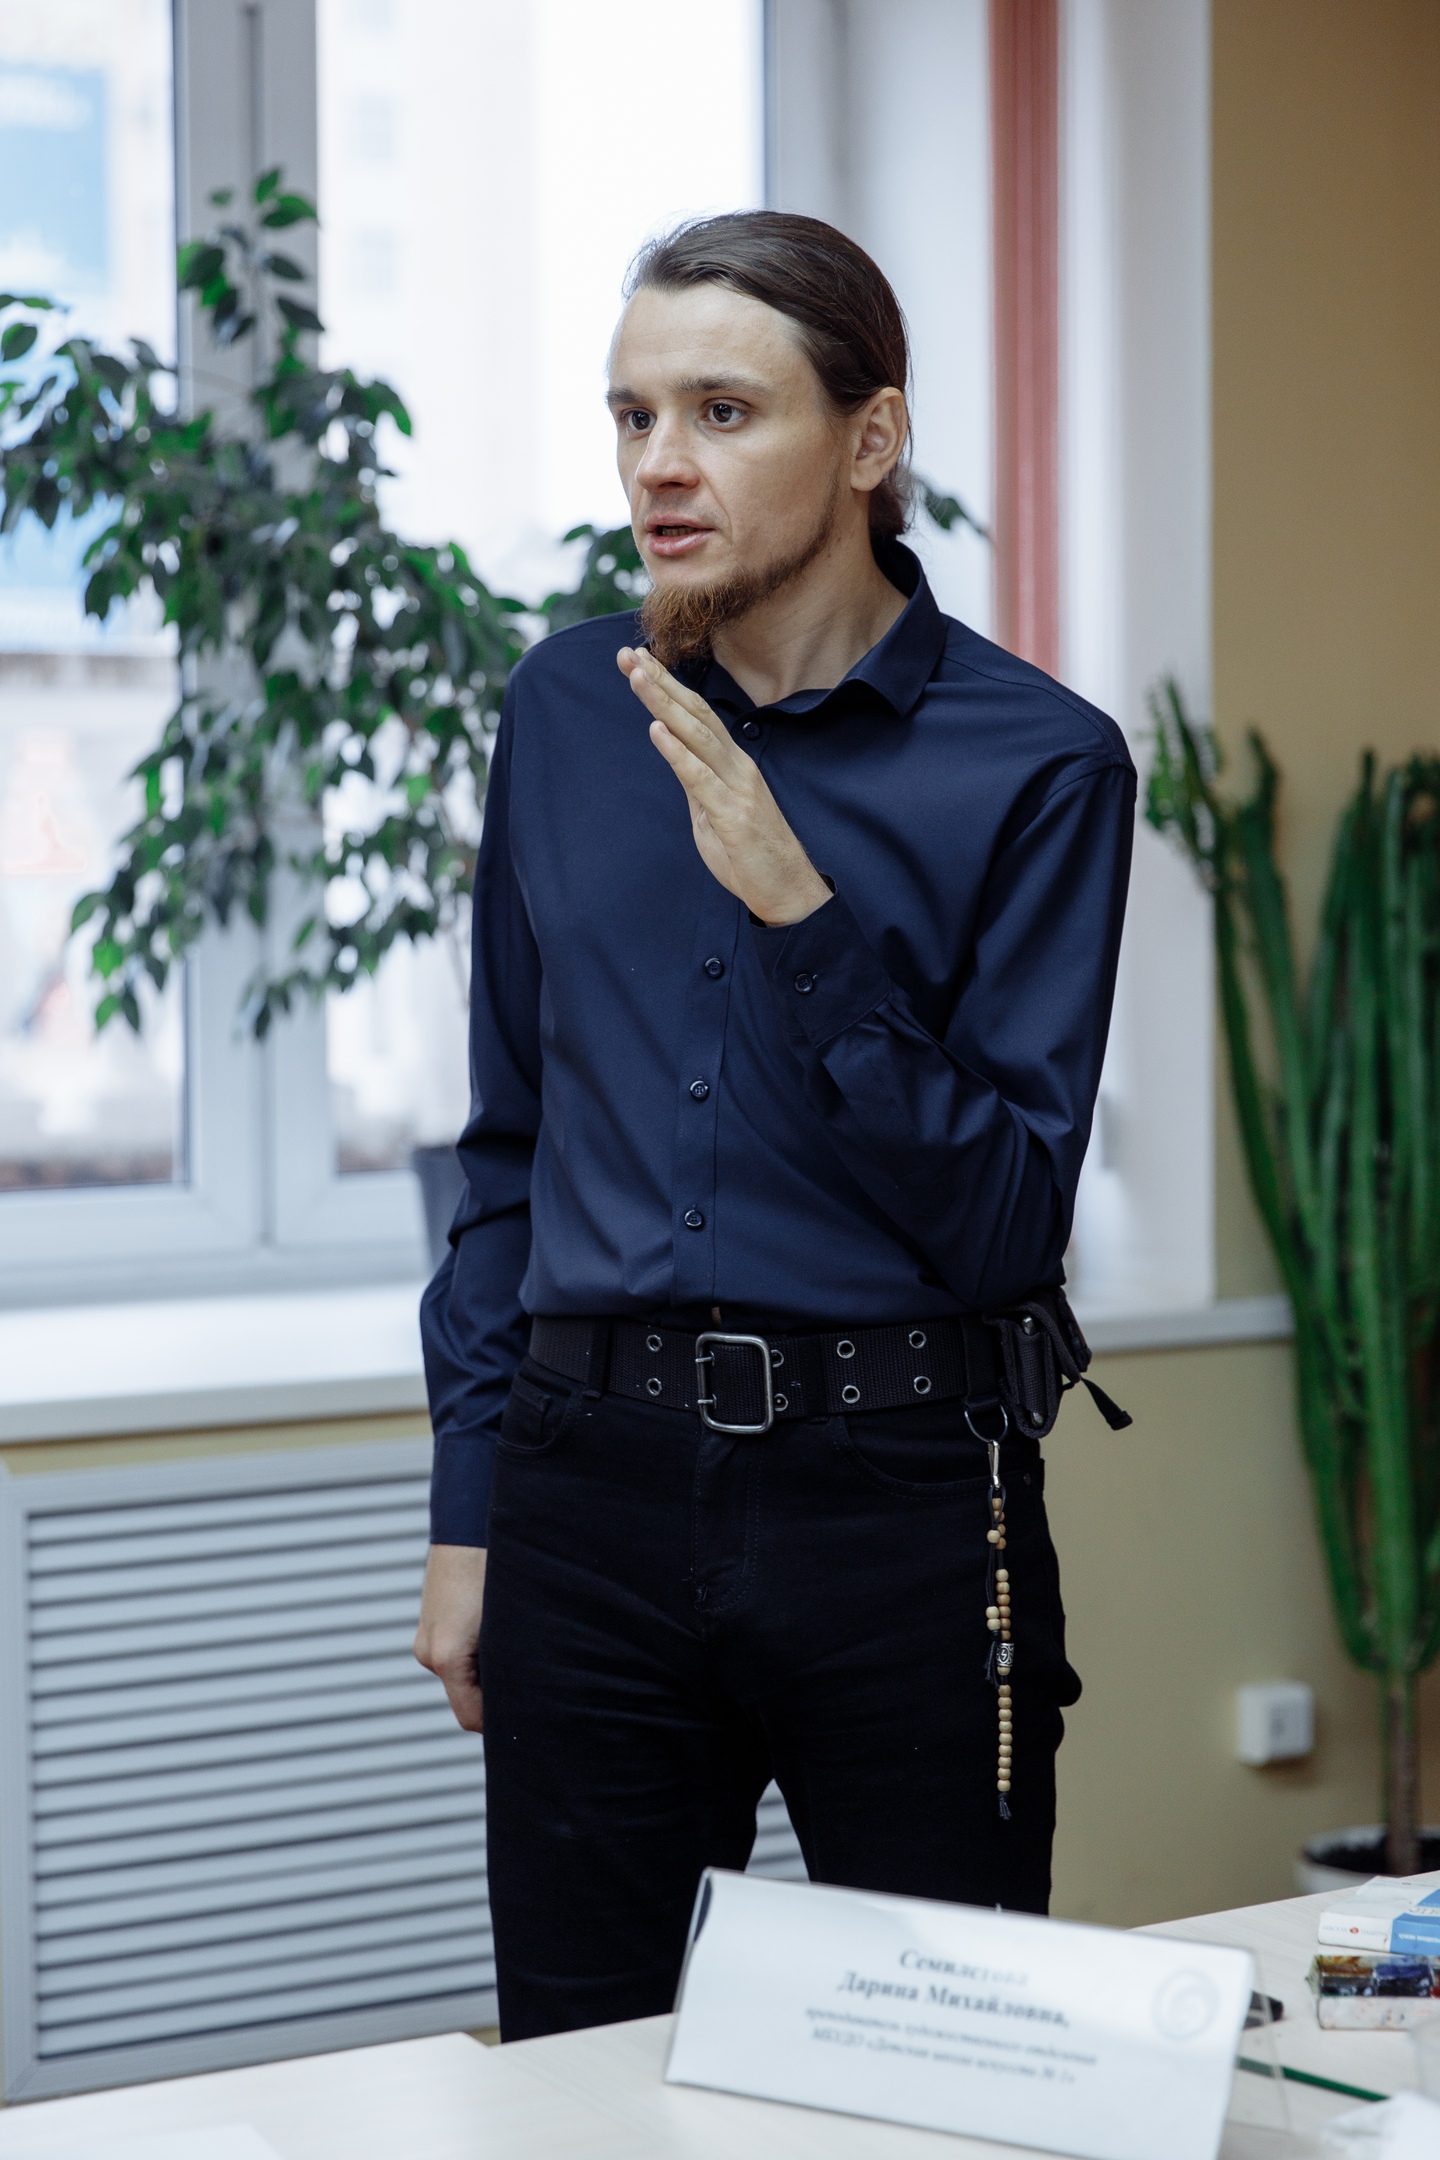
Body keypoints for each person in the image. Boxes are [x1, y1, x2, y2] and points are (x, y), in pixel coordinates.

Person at [414, 210, 1135, 2042]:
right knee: (582, 2073)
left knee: (947, 2060)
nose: (661, 463)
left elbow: (1003, 1219)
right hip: (583, 1495)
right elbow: (505, 1153)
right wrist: (470, 1510)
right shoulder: (566, 708)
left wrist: (802, 915)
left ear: (870, 439)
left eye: (723, 412)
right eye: (634, 415)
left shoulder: (1042, 765)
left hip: (901, 1506)